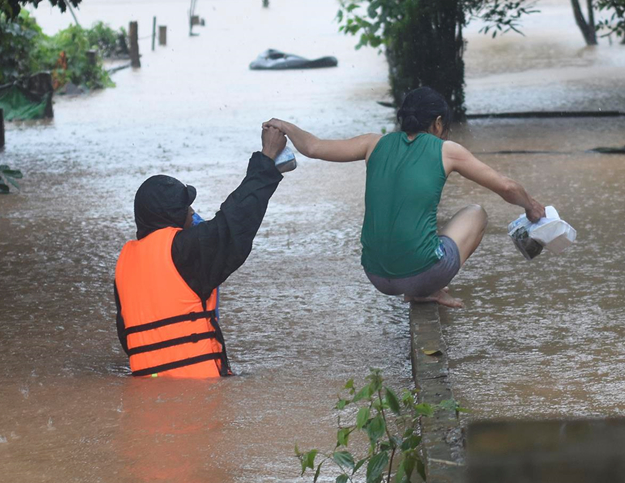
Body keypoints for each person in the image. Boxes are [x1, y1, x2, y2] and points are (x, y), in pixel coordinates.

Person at [264, 86, 545, 309]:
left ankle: (417, 290)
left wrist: (283, 125)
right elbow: (506, 187)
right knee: (476, 213)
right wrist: (531, 207)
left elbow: (312, 147)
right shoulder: (446, 150)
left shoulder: (373, 143)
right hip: (423, 274)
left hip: (376, 275)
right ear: (437, 123)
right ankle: (428, 289)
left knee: (423, 225)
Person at [113, 124, 286, 378]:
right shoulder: (184, 251)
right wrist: (267, 157)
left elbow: (126, 335)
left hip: (147, 392)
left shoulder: (124, 264)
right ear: (171, 215)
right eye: (186, 208)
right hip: (199, 391)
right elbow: (237, 219)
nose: (192, 213)